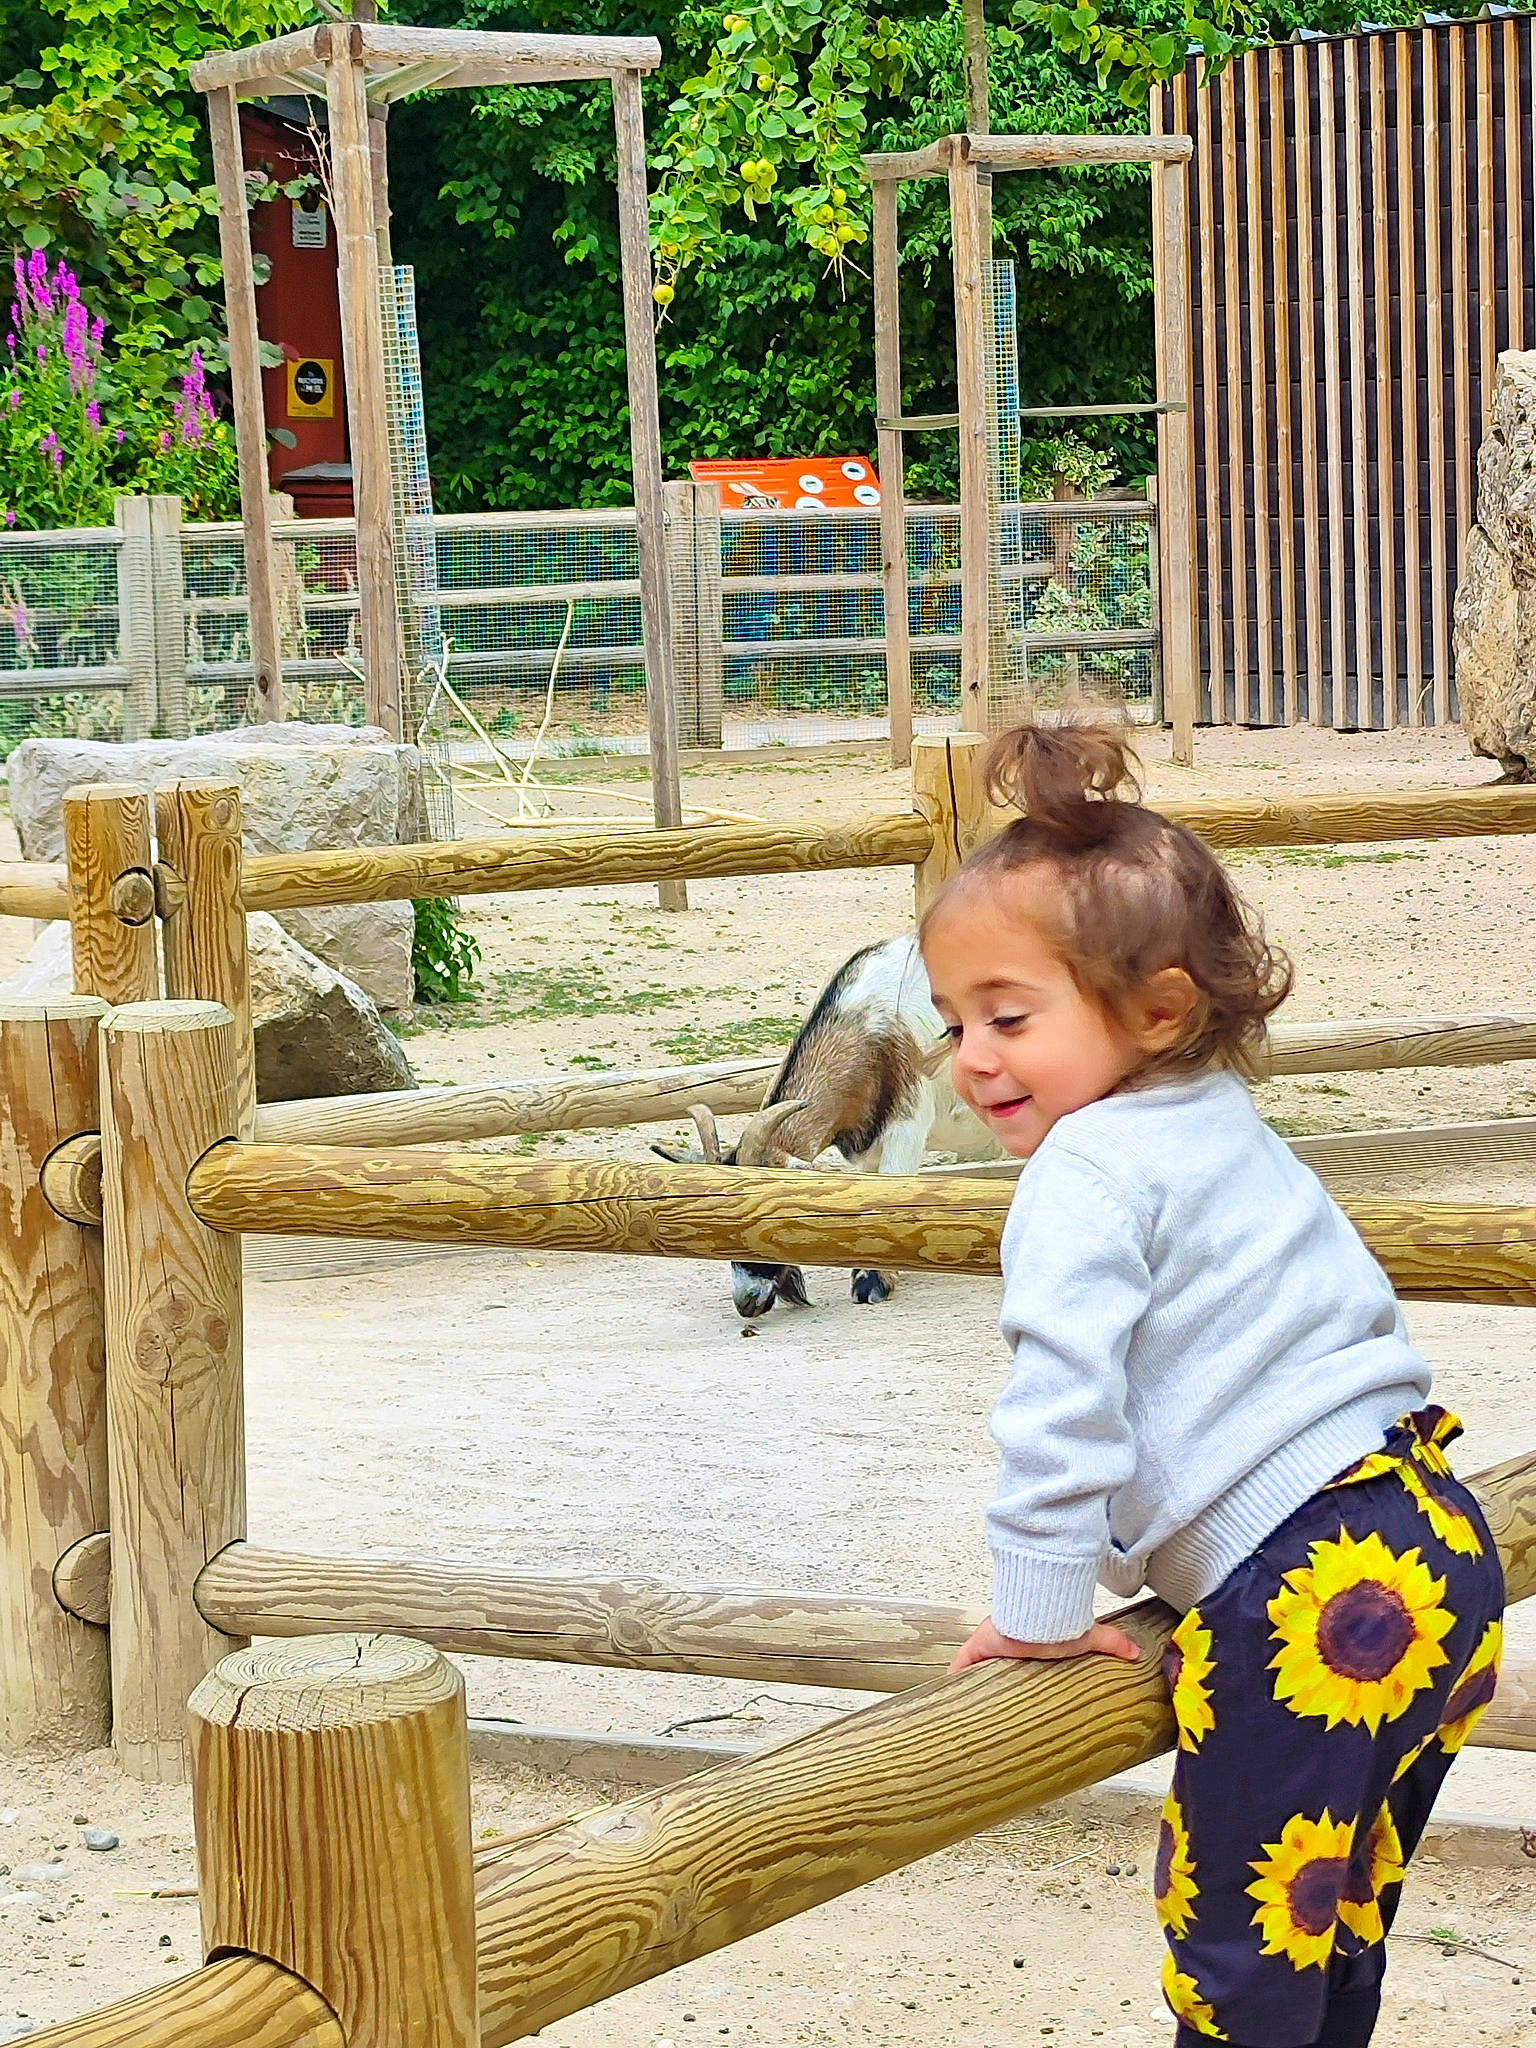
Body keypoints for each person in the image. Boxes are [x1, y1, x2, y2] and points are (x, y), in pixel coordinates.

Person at [919, 721, 1505, 2048]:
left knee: (1237, 1959)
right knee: (1333, 1919)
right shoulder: (1224, 1126)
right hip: (1434, 1545)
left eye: (1011, 1016)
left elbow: (1064, 1400)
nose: (973, 1056)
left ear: (1159, 1010)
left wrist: (1040, 1608)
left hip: (1307, 1589)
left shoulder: (1085, 1171)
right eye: (957, 1020)